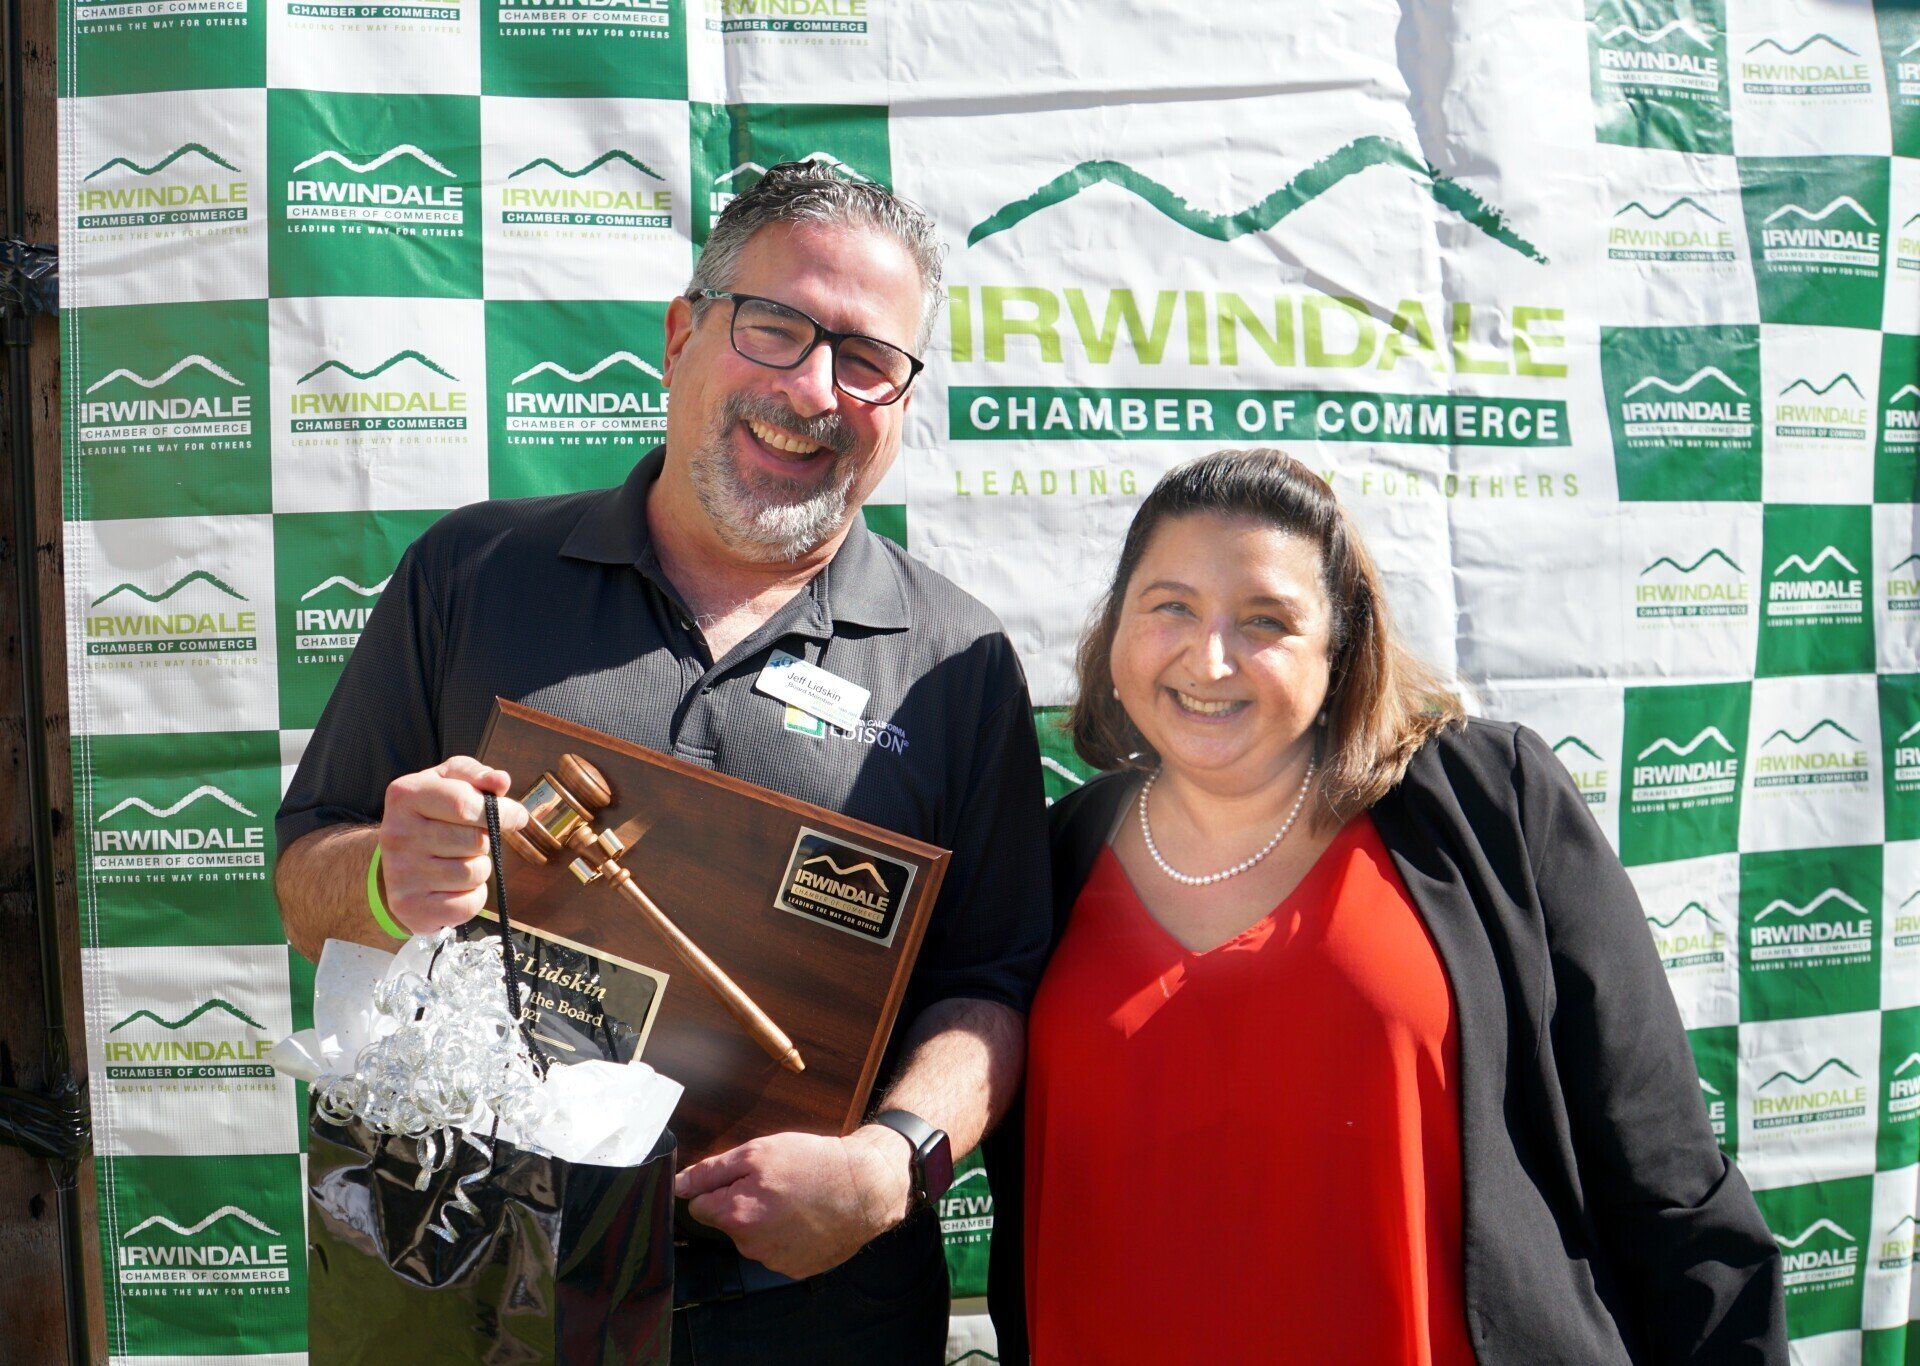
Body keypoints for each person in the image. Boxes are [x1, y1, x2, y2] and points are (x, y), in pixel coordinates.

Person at [275, 162, 1053, 1365]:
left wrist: (890, 1166)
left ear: (901, 400)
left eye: (867, 359)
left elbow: (993, 987)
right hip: (482, 1280)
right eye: (776, 327)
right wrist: (385, 871)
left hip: (814, 1310)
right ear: (682, 335)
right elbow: (305, 881)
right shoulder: (470, 575)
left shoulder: (958, 661)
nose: (812, 388)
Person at [983, 449, 1787, 1364]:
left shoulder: (1491, 807)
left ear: (1340, 649)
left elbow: (1666, 1179)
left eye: (1266, 621)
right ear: (1115, 629)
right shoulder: (1049, 858)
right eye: (1170, 606)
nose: (1210, 657)